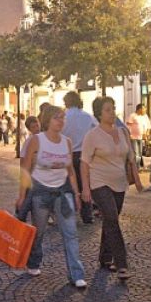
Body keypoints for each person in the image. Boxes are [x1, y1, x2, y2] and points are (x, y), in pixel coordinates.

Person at [17, 106, 86, 288]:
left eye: (63, 118)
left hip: (63, 192)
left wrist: (76, 193)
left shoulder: (67, 142)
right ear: (48, 120)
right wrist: (22, 195)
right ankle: (33, 262)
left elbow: (70, 171)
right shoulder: (36, 141)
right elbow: (24, 168)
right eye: (57, 118)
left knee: (70, 233)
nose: (61, 121)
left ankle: (76, 274)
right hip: (40, 191)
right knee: (38, 233)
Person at [81, 97, 143, 280]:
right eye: (108, 109)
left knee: (110, 220)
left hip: (119, 183)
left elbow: (131, 158)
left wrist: (137, 180)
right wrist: (85, 188)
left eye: (113, 108)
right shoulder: (92, 135)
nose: (112, 111)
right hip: (99, 183)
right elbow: (84, 163)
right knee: (112, 218)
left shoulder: (123, 132)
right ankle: (122, 263)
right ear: (99, 113)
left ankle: (105, 257)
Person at [62, 91, 97, 224]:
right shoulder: (88, 117)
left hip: (68, 154)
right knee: (85, 185)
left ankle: (70, 212)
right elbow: (96, 131)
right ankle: (87, 214)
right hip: (85, 154)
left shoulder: (63, 117)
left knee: (69, 184)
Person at [15, 116, 41, 222]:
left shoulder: (45, 138)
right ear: (30, 129)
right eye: (34, 127)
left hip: (40, 175)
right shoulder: (29, 142)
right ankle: (20, 216)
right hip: (32, 175)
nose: (37, 128)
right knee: (28, 198)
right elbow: (23, 161)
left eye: (37, 125)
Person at [126, 104, 151, 169]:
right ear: (139, 109)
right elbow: (128, 126)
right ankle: (136, 167)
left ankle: (138, 166)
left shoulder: (145, 116)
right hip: (133, 137)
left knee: (140, 152)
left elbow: (148, 126)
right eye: (144, 109)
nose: (145, 110)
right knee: (136, 152)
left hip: (142, 137)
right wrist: (129, 135)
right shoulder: (133, 116)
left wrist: (147, 134)